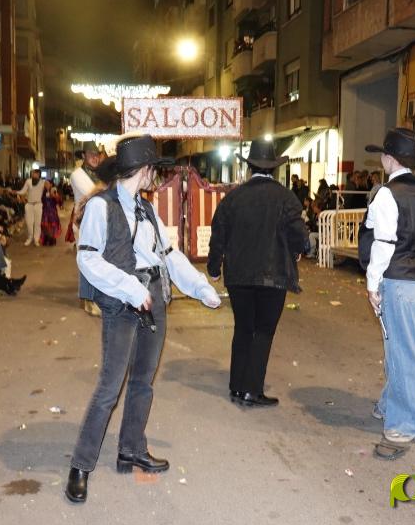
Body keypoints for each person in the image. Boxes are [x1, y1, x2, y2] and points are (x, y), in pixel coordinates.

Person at [66, 134, 221, 504]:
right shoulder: (101, 207)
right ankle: (80, 465)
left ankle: (131, 450)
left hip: (155, 300)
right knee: (109, 387)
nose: (157, 178)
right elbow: (87, 259)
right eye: (155, 170)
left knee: (142, 382)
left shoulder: (146, 207)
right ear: (145, 170)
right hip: (122, 303)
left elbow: (168, 254)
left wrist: (200, 288)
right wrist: (131, 289)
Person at [207, 139, 308, 407]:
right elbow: (299, 233)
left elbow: (219, 234)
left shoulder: (233, 198)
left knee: (243, 328)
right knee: (263, 331)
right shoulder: (286, 197)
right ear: (273, 169)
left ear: (250, 167)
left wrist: (214, 267)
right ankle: (252, 389)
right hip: (272, 276)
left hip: (238, 276)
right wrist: (299, 250)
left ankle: (237, 385)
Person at [361, 128, 415, 454]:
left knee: (401, 354)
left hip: (399, 278)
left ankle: (410, 425)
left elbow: (384, 242)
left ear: (388, 158)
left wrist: (372, 282)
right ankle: (390, 404)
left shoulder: (386, 194)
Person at [70, 141, 106, 316]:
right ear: (83, 155)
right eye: (91, 154)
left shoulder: (100, 173)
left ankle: (95, 297)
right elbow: (94, 192)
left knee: (98, 260)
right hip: (84, 223)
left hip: (98, 223)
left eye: (97, 154)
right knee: (87, 260)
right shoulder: (77, 174)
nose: (95, 157)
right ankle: (88, 301)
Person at [17, 169, 44, 246]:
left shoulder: (42, 182)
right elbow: (23, 191)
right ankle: (30, 238)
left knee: (37, 224)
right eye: (33, 173)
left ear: (39, 175)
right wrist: (16, 192)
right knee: (29, 223)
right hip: (29, 205)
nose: (33, 175)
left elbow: (49, 187)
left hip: (38, 205)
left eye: (35, 174)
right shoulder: (28, 181)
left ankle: (36, 239)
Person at [40, 180, 63, 246]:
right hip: (45, 212)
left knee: (52, 227)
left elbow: (60, 202)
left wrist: (55, 196)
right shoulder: (43, 192)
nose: (46, 185)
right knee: (45, 227)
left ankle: (52, 240)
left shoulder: (54, 191)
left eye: (47, 183)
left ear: (51, 184)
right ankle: (46, 239)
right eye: (45, 183)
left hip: (52, 212)